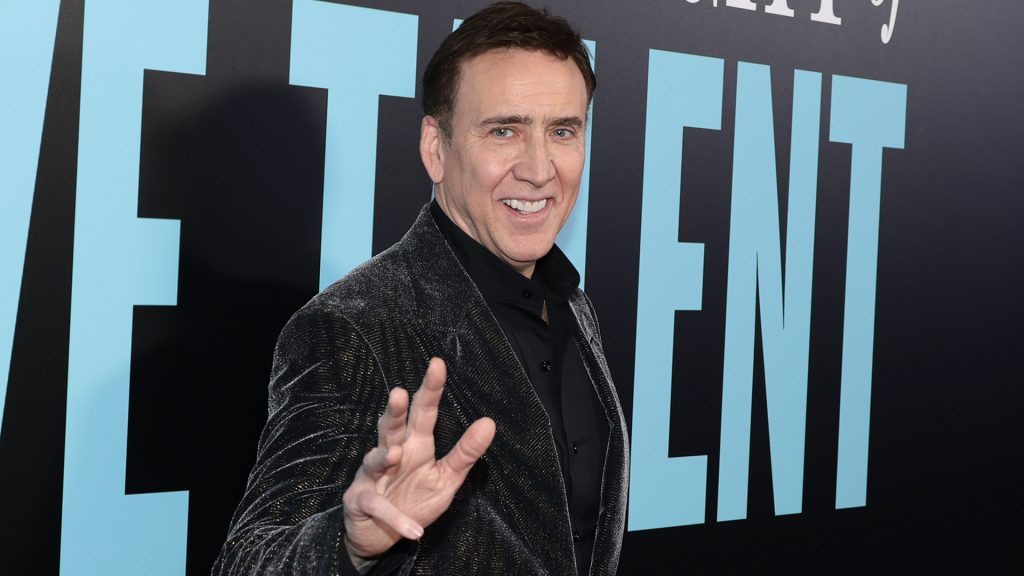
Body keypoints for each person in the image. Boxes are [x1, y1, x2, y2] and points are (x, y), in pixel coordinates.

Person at [213, 3, 627, 575]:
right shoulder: (354, 326)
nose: (538, 169)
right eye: (503, 130)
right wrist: (352, 544)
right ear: (436, 147)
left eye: (562, 131)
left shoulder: (572, 305)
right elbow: (249, 560)